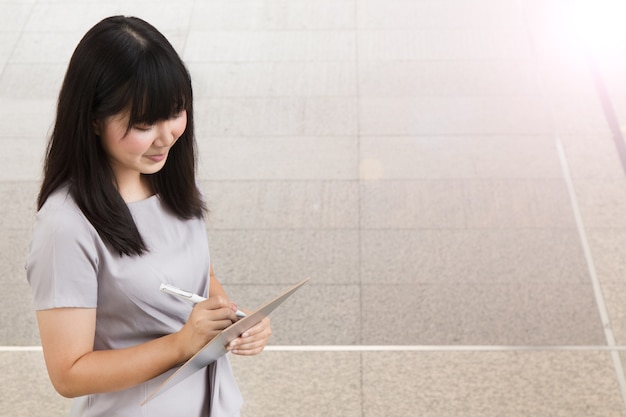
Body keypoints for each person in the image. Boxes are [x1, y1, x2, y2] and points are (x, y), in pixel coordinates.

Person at [25, 15, 271, 417]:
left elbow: (196, 277)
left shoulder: (169, 181)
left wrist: (231, 320)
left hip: (214, 404)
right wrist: (182, 343)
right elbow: (68, 373)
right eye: (143, 124)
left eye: (175, 112)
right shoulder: (65, 226)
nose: (166, 136)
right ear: (92, 119)